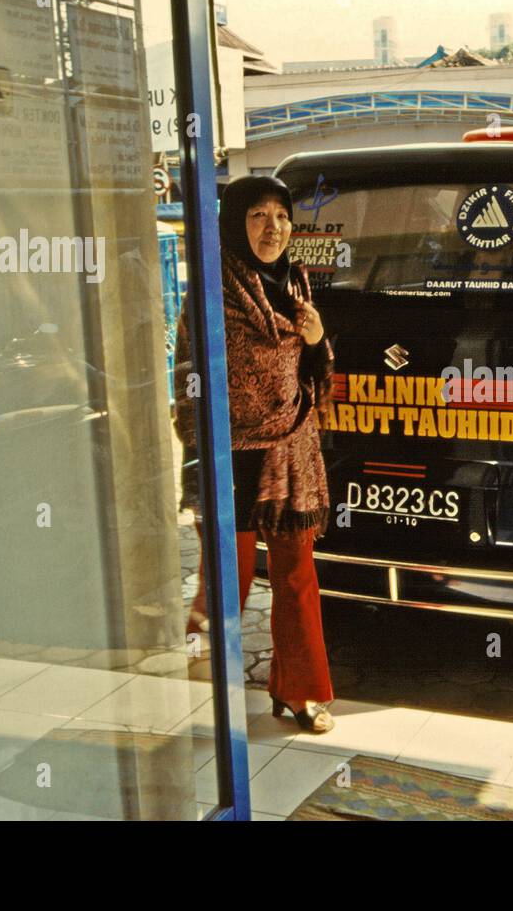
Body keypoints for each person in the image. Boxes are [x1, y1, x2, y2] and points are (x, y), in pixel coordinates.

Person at [174, 175, 337, 734]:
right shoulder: (211, 289)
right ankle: (205, 692)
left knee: (295, 575)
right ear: (233, 223)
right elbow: (187, 374)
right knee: (230, 579)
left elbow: (315, 374)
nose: (274, 228)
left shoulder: (296, 282)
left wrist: (316, 339)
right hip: (232, 454)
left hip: (290, 453)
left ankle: (302, 693)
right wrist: (202, 449)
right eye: (258, 216)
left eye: (282, 217)